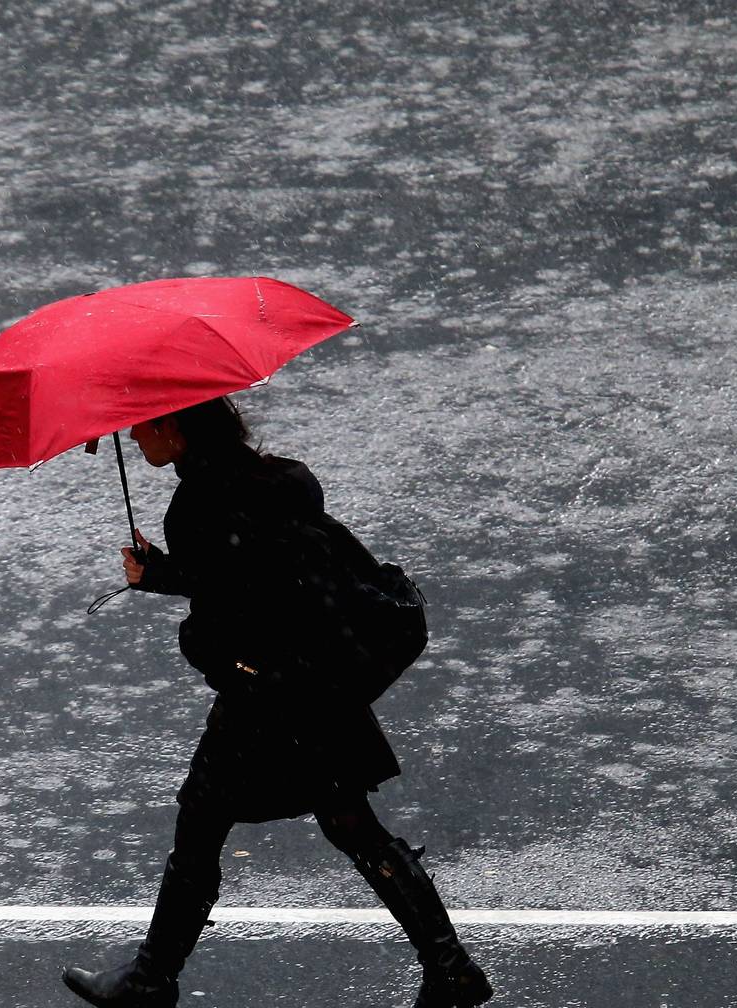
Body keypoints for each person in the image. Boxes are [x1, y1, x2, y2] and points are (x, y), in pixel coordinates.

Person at [61, 396, 494, 1008]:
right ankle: (451, 969)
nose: (134, 434)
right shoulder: (275, 478)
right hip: (320, 681)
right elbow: (259, 571)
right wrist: (166, 574)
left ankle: (151, 979)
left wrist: (194, 632)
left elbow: (225, 616)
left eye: (145, 421)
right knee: (352, 824)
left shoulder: (199, 505)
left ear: (175, 426)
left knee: (201, 824)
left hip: (265, 697)